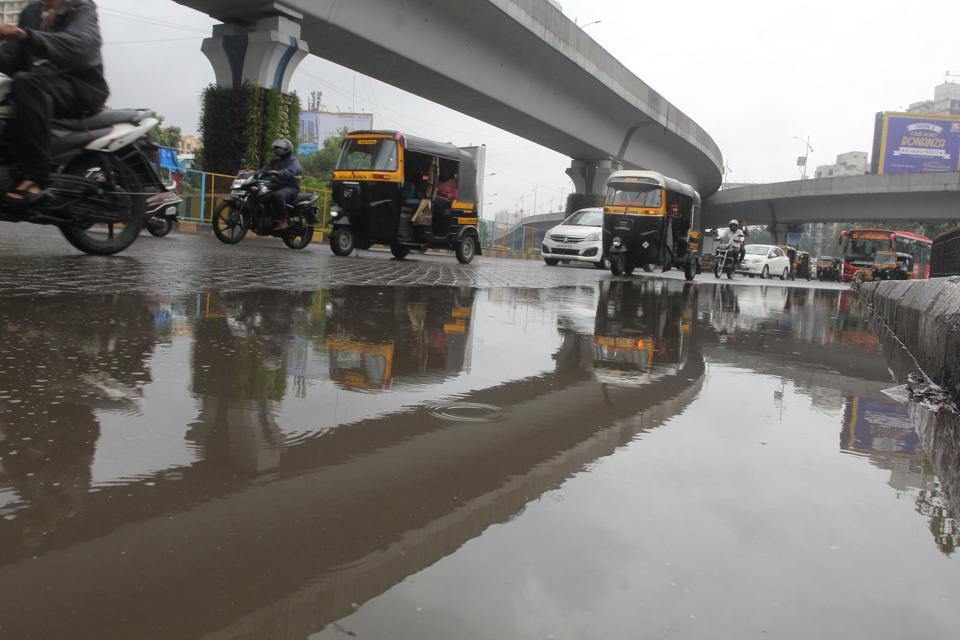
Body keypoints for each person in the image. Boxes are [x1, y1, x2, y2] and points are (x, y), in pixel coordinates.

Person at [0, 0, 109, 204]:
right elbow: (11, 58)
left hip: (81, 87)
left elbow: (80, 46)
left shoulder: (81, 8)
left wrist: (26, 35)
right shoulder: (32, 12)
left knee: (26, 82)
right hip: (43, 83)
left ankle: (35, 177)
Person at [260, 138, 303, 230]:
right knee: (258, 192)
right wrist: (252, 173)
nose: (276, 150)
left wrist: (277, 173)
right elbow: (264, 170)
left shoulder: (293, 162)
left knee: (278, 195)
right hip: (276, 186)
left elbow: (291, 171)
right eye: (275, 148)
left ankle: (284, 220)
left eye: (278, 148)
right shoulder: (275, 161)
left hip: (290, 187)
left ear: (287, 149)